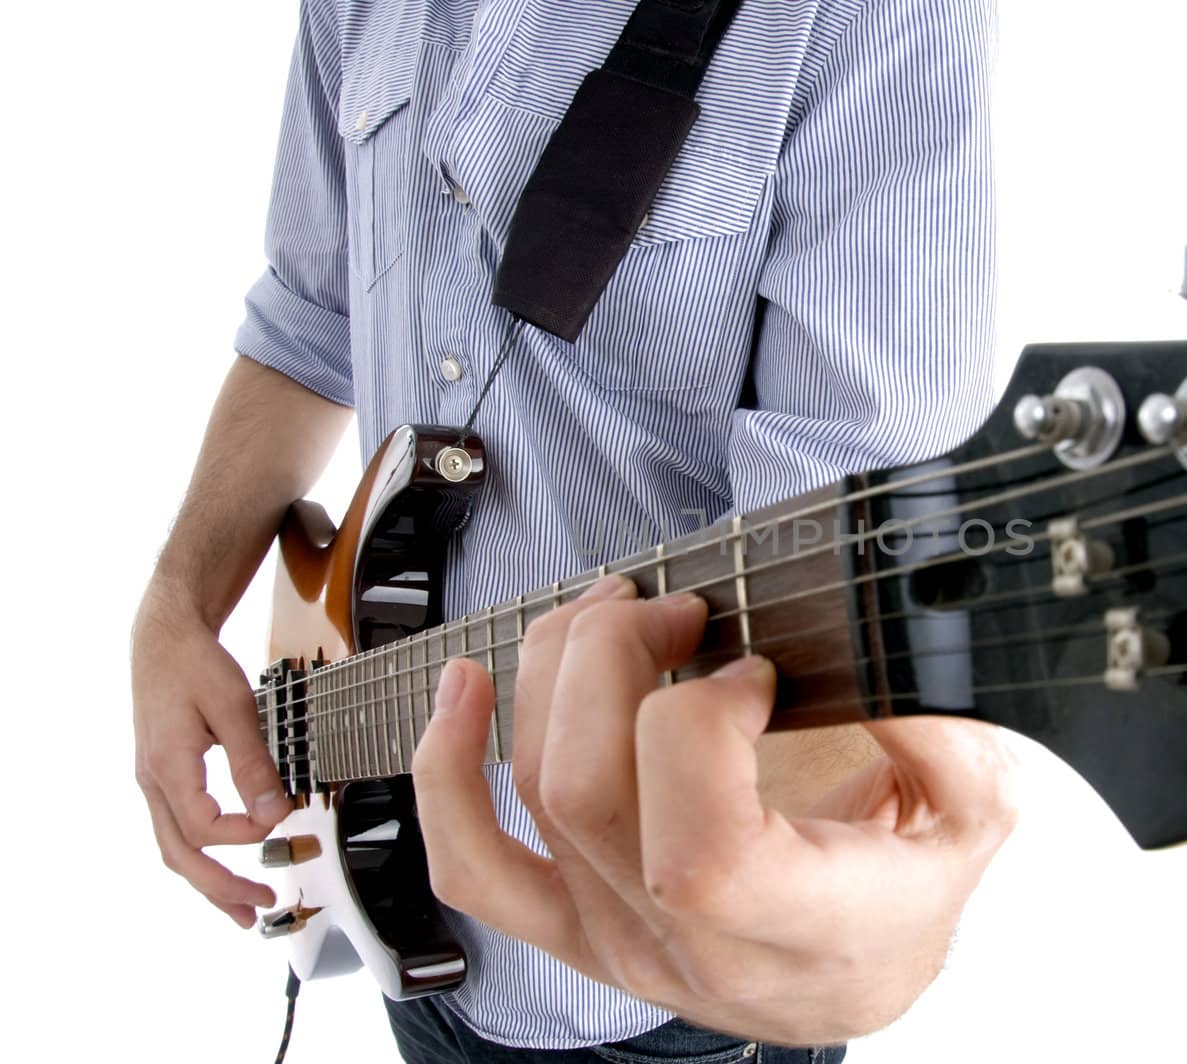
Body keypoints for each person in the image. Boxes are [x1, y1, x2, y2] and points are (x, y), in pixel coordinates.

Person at [129, 0, 1018, 1060]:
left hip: (661, 988)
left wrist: (862, 874)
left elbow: (858, 560)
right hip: (404, 930)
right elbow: (311, 319)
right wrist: (176, 606)